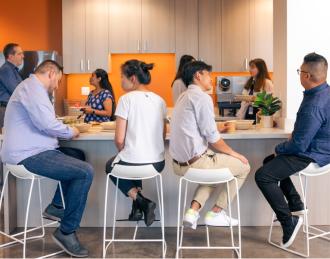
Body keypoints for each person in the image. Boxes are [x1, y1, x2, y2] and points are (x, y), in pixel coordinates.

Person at [1, 60, 94, 258]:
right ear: (51, 73)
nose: (57, 85)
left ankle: (56, 206)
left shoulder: (30, 88)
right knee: (85, 171)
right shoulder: (33, 89)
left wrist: (64, 129)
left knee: (77, 156)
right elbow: (46, 124)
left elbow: (43, 122)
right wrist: (71, 131)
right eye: (58, 80)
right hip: (28, 154)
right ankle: (66, 232)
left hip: (30, 150)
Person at [255, 53, 330, 249]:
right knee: (268, 162)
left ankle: (289, 221)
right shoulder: (324, 93)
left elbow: (299, 146)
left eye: (299, 71)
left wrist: (280, 148)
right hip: (323, 151)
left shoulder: (313, 105)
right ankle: (296, 204)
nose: (299, 75)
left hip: (311, 155)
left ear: (306, 76)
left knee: (263, 176)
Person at [169, 61, 250, 229]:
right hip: (197, 164)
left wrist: (217, 127)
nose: (211, 79)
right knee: (244, 166)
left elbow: (195, 126)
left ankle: (192, 212)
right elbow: (213, 139)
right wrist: (235, 154)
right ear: (198, 75)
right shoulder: (201, 97)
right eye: (208, 74)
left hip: (179, 165)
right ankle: (216, 212)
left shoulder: (183, 97)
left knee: (215, 171)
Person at [105, 59, 167, 227]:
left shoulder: (126, 100)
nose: (120, 81)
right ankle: (137, 209)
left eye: (122, 77)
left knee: (110, 166)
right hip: (157, 164)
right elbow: (163, 133)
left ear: (132, 78)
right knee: (133, 163)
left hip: (133, 162)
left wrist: (123, 150)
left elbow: (119, 139)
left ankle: (142, 202)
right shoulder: (160, 100)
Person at [0, 43, 24, 130]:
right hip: (5, 109)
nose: (23, 56)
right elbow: (16, 90)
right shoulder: (6, 69)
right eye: (19, 54)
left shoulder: (13, 70)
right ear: (10, 56)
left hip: (9, 108)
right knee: (5, 138)